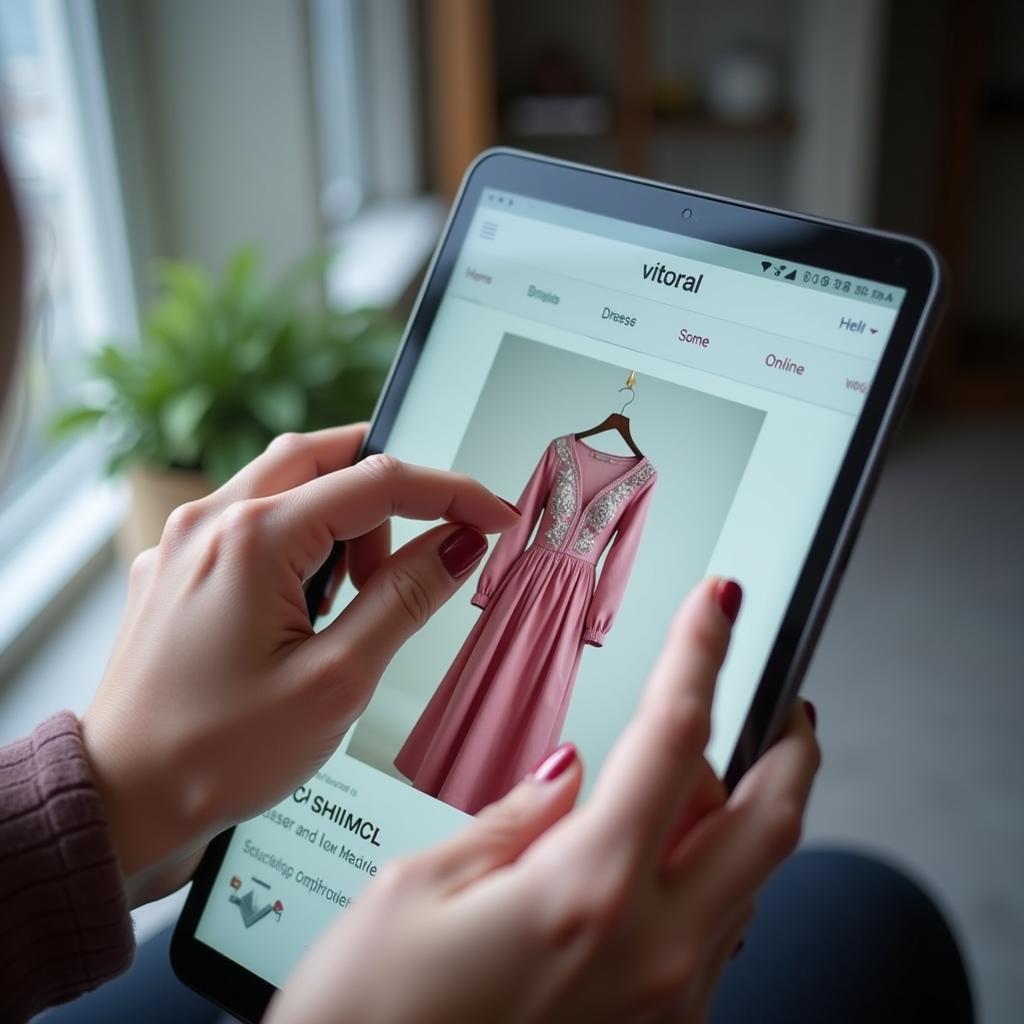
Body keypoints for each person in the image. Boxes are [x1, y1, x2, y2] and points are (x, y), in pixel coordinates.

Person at [0, 146, 973, 1024]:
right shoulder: (562, 448)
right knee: (873, 914)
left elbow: (623, 554)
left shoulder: (641, 476)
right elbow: (523, 514)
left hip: (553, 599)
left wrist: (114, 799)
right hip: (527, 588)